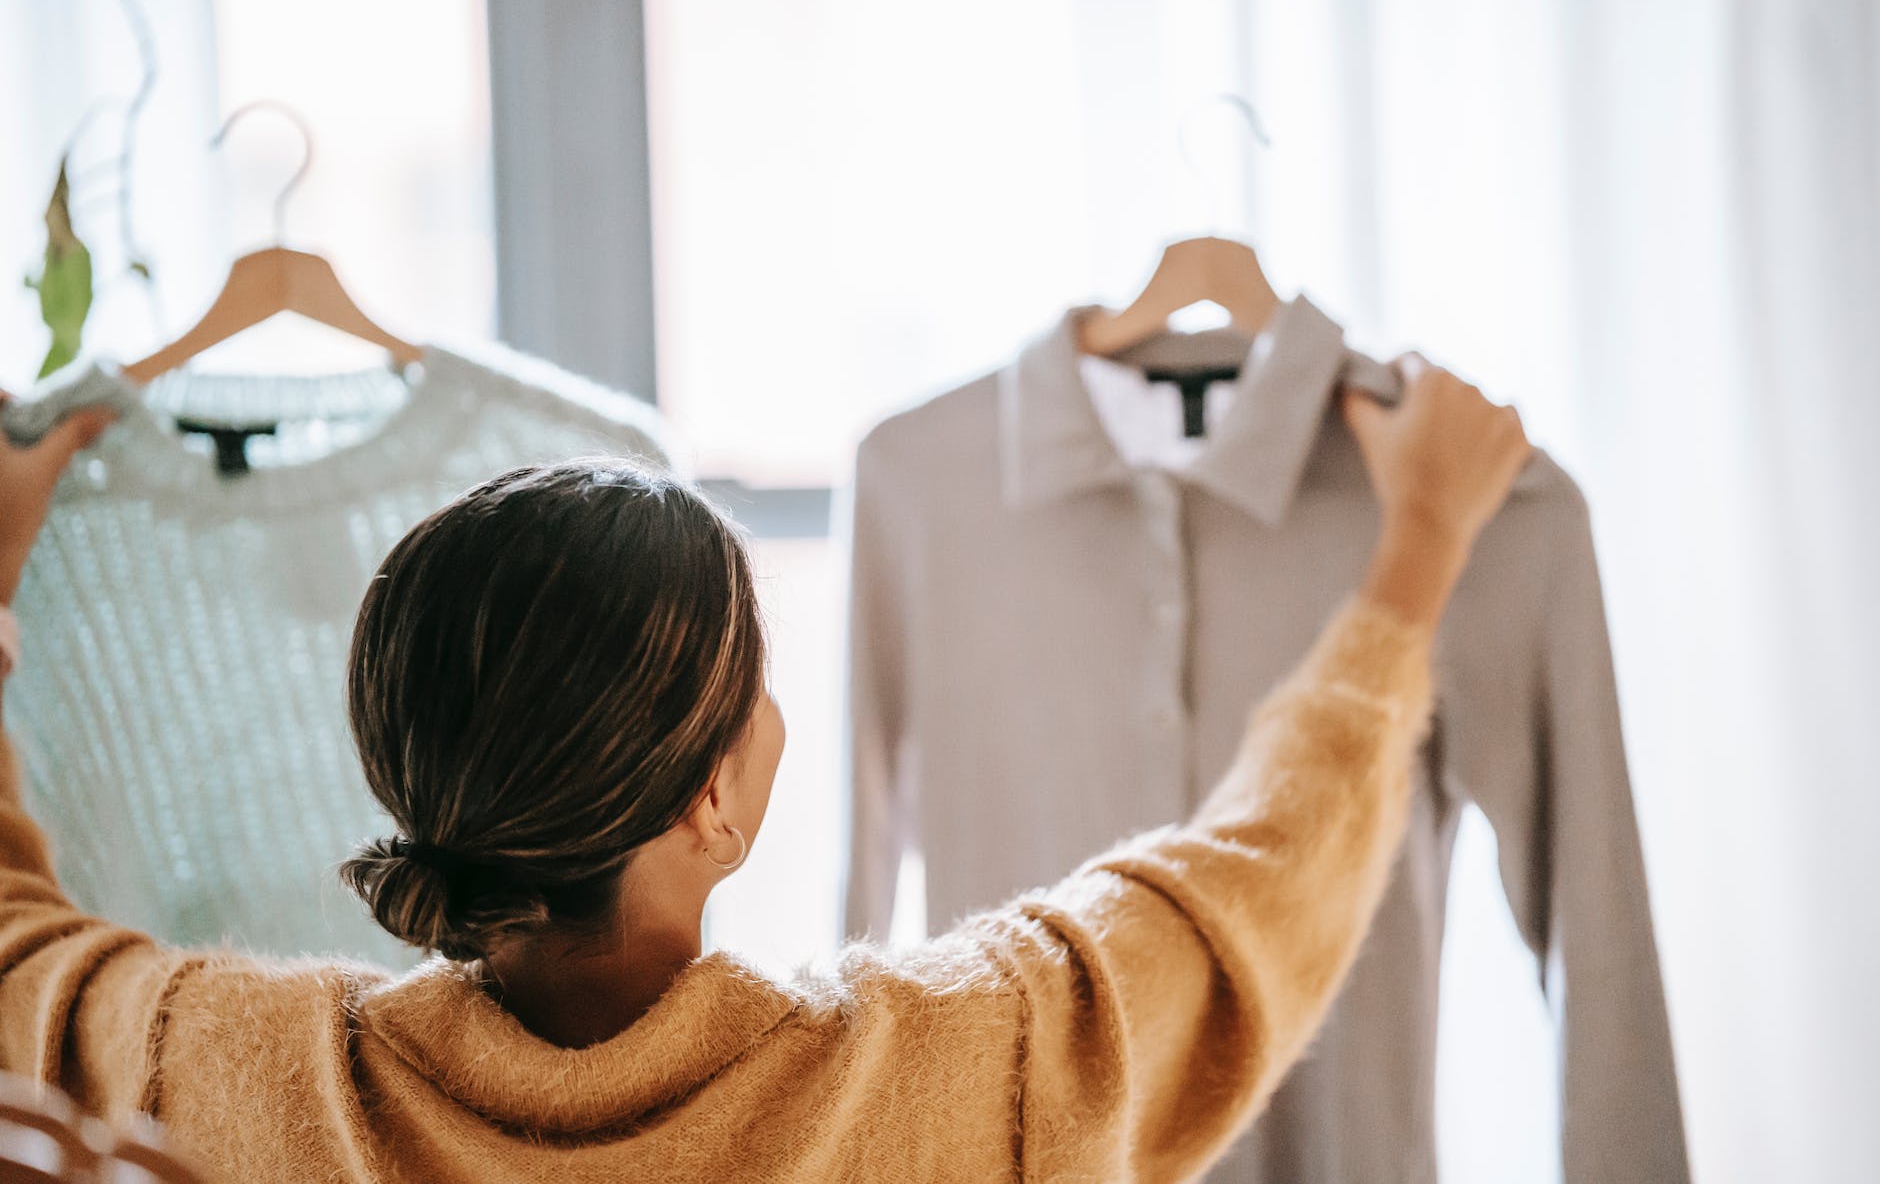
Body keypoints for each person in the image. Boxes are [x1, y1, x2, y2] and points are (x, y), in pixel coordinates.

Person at [0, 358, 1528, 1182]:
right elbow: (1263, 877)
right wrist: (1419, 546)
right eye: (758, 684)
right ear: (713, 800)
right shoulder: (956, 1074)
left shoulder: (233, 1074)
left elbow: (18, 954)